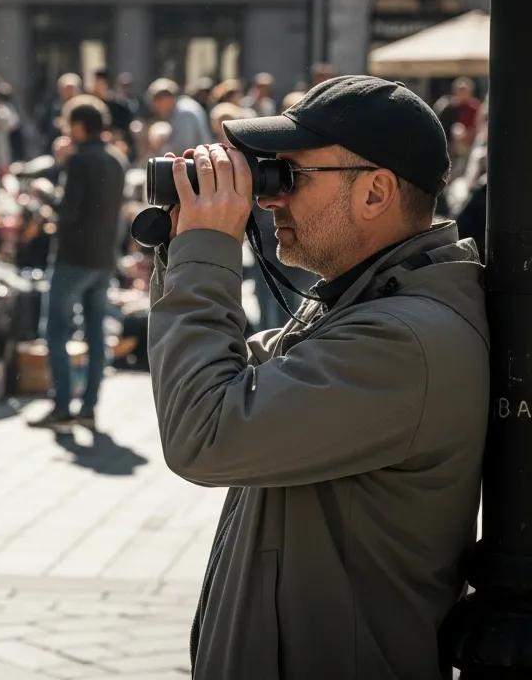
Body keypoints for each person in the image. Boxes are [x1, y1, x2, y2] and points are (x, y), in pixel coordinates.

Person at [148, 75, 488, 679]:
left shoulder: (404, 342)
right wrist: (185, 247)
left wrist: (208, 250)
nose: (269, 198)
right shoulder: (368, 304)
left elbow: (204, 431)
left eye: (291, 175)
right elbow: (213, 376)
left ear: (376, 192)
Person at [29, 97, 126, 431]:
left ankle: (61, 408)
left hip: (72, 258)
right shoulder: (116, 160)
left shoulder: (79, 161)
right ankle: (88, 407)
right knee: (95, 333)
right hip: (103, 259)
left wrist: (46, 190)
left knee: (56, 331)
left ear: (80, 127)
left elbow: (68, 211)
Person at [145, 78, 210, 156]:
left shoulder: (185, 113)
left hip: (198, 159)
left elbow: (184, 149)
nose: (155, 107)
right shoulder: (180, 108)